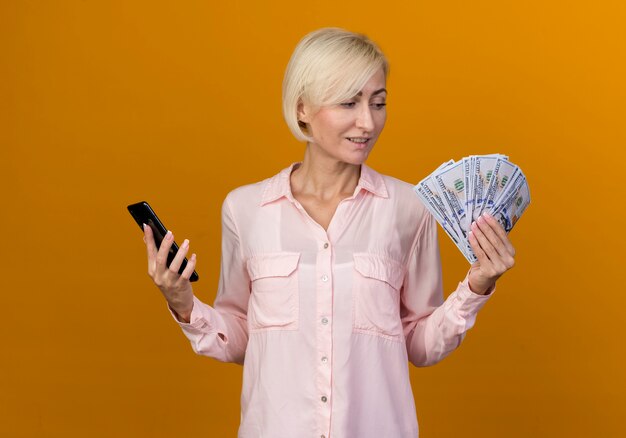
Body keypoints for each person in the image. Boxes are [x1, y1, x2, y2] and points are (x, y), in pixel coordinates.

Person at [141, 27, 516, 438]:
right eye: (348, 103)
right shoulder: (245, 209)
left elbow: (420, 344)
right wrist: (183, 302)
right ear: (302, 108)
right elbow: (241, 337)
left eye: (378, 103)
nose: (367, 122)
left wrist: (477, 286)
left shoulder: (410, 208)